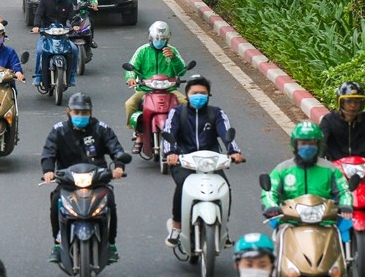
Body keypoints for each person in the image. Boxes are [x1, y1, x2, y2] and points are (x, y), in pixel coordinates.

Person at [41, 93, 128, 264]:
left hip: (97, 180)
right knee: (55, 202)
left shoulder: (101, 129)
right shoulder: (59, 130)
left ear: (90, 112)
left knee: (109, 201)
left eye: (84, 113)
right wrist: (48, 170)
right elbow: (48, 153)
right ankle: (58, 244)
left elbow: (116, 148)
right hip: (68, 181)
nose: (80, 116)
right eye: (76, 112)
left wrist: (119, 166)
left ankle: (111, 244)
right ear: (69, 111)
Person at [163, 75, 244, 246]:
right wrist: (170, 153)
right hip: (184, 161)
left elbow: (226, 132)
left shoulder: (216, 113)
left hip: (211, 162)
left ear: (208, 95)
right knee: (183, 186)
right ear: (187, 94)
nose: (198, 96)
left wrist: (234, 151)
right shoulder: (177, 113)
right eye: (194, 93)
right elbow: (169, 132)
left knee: (224, 189)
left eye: (203, 93)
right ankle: (177, 226)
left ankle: (223, 228)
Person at [261, 121, 352, 223]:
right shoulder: (282, 170)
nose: (307, 147)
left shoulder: (330, 169)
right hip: (290, 224)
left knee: (347, 232)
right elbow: (270, 192)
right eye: (303, 143)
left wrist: (345, 204)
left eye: (311, 143)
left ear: (318, 145)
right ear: (295, 145)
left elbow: (344, 191)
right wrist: (271, 206)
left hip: (325, 224)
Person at [124, 20, 188, 153]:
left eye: (163, 39)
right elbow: (131, 66)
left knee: (185, 104)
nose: (159, 41)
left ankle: (185, 134)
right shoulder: (143, 51)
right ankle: (138, 134)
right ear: (151, 38)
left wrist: (174, 58)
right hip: (146, 89)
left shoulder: (172, 51)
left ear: (167, 39)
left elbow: (181, 70)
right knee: (130, 104)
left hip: (169, 90)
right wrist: (130, 78)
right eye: (157, 38)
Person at [319, 82, 365, 170]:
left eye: (357, 101)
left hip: (363, 172)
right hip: (336, 172)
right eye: (349, 101)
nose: (353, 105)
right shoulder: (329, 120)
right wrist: (317, 160)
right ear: (341, 102)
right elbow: (321, 143)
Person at [32, 0, 80, 87]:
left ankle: (72, 74)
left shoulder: (67, 4)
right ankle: (38, 75)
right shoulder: (44, 2)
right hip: (46, 34)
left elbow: (72, 16)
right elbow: (38, 15)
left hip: (62, 35)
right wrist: (36, 26)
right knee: (40, 51)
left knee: (74, 49)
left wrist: (75, 25)